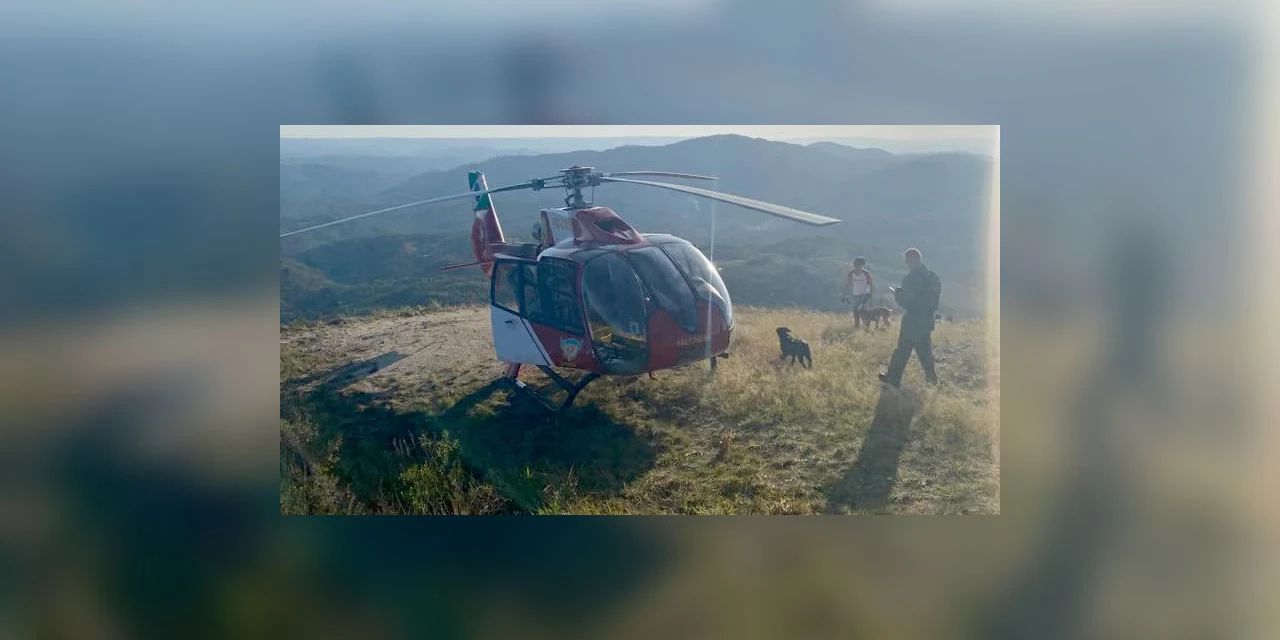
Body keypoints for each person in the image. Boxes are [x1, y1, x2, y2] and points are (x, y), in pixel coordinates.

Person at [880, 247, 941, 387]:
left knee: (902, 350)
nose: (906, 264)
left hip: (913, 320)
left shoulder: (911, 278)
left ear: (912, 260)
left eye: (907, 261)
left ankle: (893, 379)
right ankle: (932, 381)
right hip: (927, 319)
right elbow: (933, 300)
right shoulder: (933, 277)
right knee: (925, 352)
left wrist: (897, 295)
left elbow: (906, 301)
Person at [843, 257, 874, 328]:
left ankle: (866, 327)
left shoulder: (866, 274)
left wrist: (870, 295)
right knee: (855, 311)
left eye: (859, 266)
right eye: (856, 266)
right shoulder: (851, 273)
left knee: (864, 312)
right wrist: (844, 294)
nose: (857, 268)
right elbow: (848, 284)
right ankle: (857, 326)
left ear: (862, 266)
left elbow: (871, 285)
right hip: (855, 295)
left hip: (865, 295)